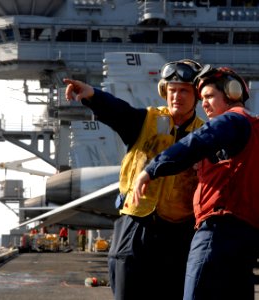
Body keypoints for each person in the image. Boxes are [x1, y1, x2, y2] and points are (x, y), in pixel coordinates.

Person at [133, 65, 259, 300]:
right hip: (251, 237)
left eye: (209, 96)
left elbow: (196, 142)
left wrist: (151, 170)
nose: (203, 104)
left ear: (232, 93)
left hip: (218, 232)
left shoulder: (233, 120)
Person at [63, 59, 205, 300]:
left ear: (197, 96)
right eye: (172, 90)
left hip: (179, 232)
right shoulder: (144, 121)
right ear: (164, 92)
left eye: (184, 91)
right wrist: (92, 95)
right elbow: (118, 111)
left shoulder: (205, 135)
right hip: (137, 225)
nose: (176, 96)